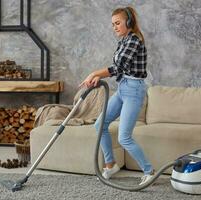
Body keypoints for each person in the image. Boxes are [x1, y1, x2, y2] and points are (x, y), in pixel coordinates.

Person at [79, 6, 154, 185]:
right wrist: (97, 77)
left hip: (134, 91)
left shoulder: (134, 40)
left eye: (118, 23)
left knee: (124, 137)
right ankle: (111, 163)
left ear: (129, 22)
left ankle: (149, 171)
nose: (115, 27)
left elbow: (118, 67)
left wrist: (94, 73)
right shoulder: (123, 40)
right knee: (100, 124)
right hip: (123, 87)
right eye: (113, 24)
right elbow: (118, 70)